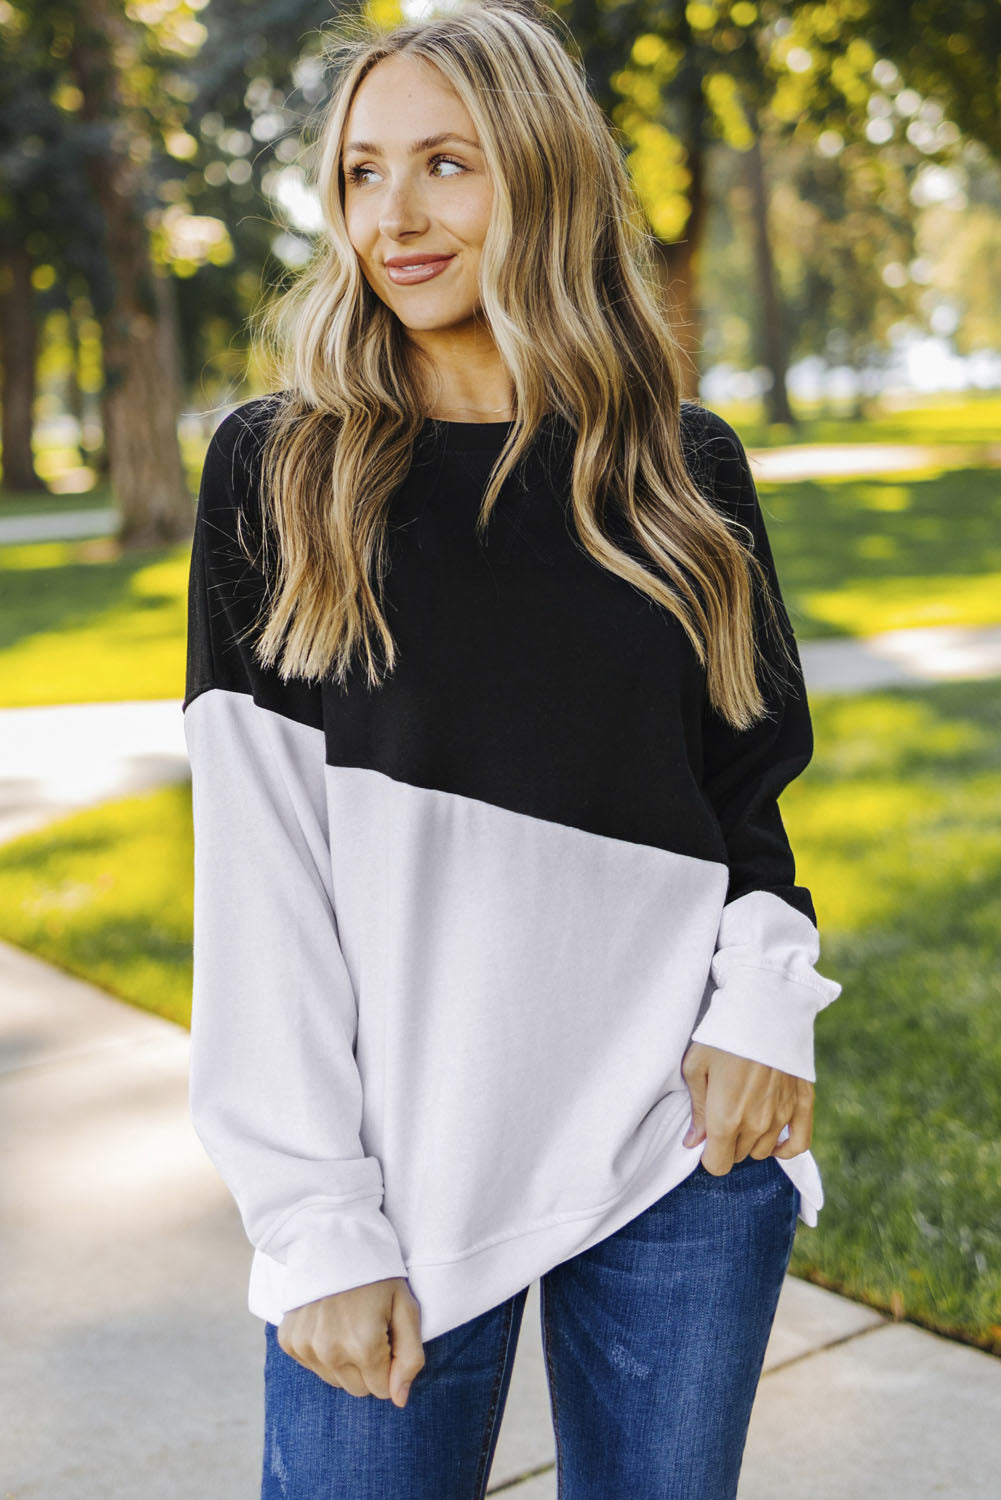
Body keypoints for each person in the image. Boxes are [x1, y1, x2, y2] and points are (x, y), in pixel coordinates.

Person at [182, 1, 843, 1495]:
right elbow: (260, 880)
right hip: (401, 1181)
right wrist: (314, 1218)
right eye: (362, 173)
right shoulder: (279, 472)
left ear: (542, 175)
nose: (394, 218)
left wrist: (764, 1007)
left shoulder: (681, 467)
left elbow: (746, 793)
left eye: (446, 165)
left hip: (680, 1143)